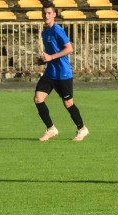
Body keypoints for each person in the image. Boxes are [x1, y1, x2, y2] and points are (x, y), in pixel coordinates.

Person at [34, 1, 89, 143]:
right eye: (44, 13)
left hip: (63, 73)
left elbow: (69, 48)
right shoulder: (44, 32)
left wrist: (51, 57)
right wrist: (43, 59)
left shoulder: (57, 30)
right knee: (38, 99)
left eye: (49, 13)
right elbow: (50, 52)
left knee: (68, 103)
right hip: (50, 73)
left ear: (54, 14)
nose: (46, 15)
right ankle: (51, 128)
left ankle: (82, 128)